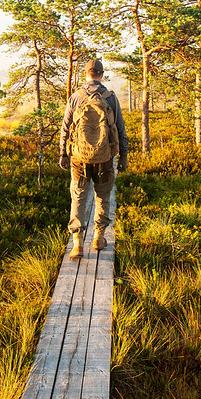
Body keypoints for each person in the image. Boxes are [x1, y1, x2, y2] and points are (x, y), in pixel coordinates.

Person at [58, 59, 128, 259]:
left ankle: (77, 243)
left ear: (86, 74)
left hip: (79, 158)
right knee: (102, 197)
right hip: (105, 158)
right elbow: (121, 131)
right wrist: (123, 157)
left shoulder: (76, 97)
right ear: (102, 75)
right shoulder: (111, 98)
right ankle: (99, 237)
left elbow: (65, 129)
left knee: (78, 197)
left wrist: (63, 154)